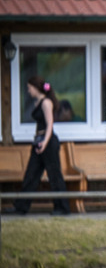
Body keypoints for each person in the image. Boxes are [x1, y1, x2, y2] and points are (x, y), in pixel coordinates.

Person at [8, 76, 71, 215]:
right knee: (31, 174)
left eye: (30, 88)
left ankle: (62, 207)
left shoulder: (46, 103)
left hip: (48, 143)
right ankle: (21, 207)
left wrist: (44, 143)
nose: (28, 91)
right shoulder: (38, 102)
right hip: (39, 141)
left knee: (54, 175)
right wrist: (38, 141)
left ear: (36, 88)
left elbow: (49, 125)